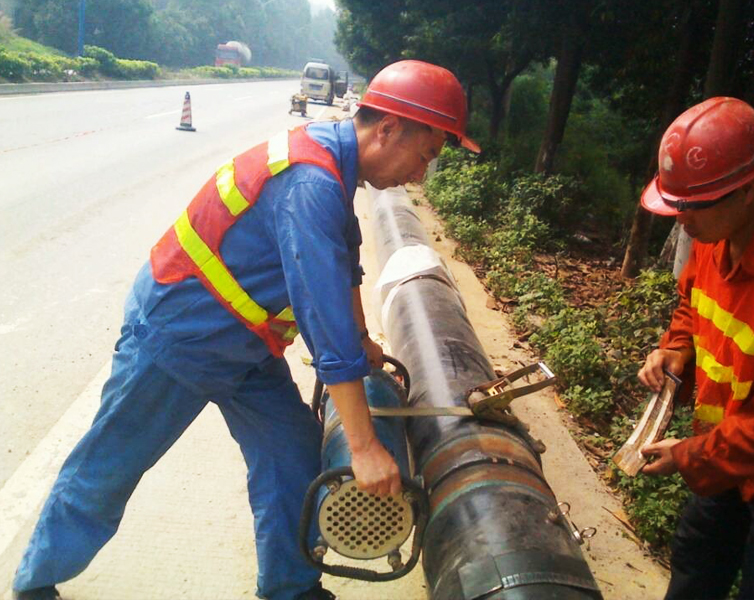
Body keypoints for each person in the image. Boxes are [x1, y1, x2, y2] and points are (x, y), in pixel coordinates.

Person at [12, 60, 480, 600]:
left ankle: (289, 587)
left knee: (291, 456)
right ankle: (36, 580)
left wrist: (362, 337)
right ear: (389, 129)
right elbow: (323, 320)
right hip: (182, 334)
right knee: (112, 462)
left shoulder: (334, 160)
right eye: (425, 156)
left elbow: (345, 254)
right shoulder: (310, 182)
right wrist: (364, 446)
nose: (420, 175)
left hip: (245, 344)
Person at [636, 97, 754, 600]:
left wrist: (693, 454)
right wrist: (677, 350)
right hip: (729, 452)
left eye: (694, 206)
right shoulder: (712, 236)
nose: (682, 220)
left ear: (747, 189)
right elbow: (692, 306)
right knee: (697, 557)